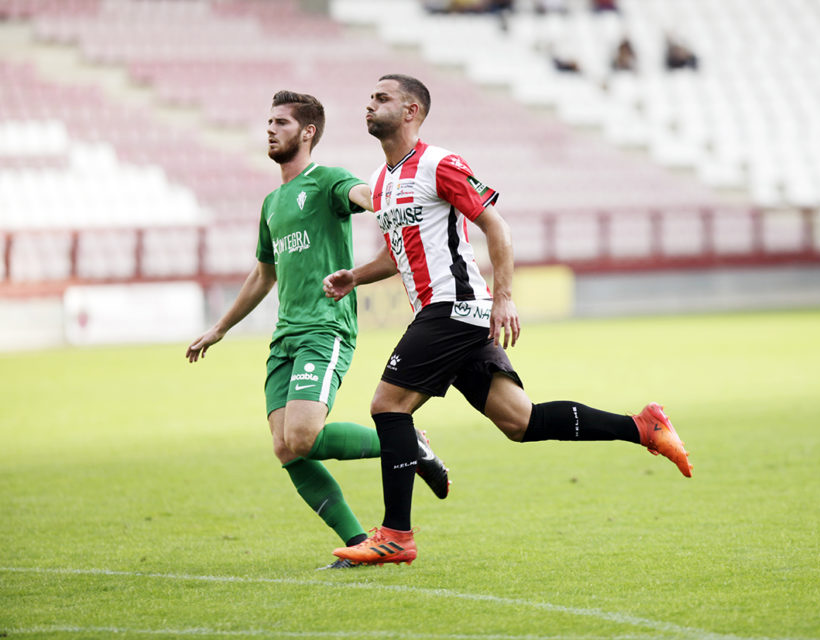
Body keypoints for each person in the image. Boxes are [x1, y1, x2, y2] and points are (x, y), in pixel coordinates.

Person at [322, 74, 692, 566]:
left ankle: (397, 535)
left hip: (454, 307)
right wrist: (355, 276)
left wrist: (505, 297)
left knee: (388, 407)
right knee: (521, 421)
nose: (369, 104)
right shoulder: (382, 181)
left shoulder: (439, 164)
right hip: (451, 315)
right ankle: (643, 428)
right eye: (370, 97)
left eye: (382, 98)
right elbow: (397, 254)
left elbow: (496, 224)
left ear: (412, 111)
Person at [185, 90, 449, 570]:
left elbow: (365, 195)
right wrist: (220, 328)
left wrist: (388, 200)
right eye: (269, 122)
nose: (271, 129)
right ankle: (356, 543)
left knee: (304, 436)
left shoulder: (326, 180)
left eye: (282, 122)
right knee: (286, 448)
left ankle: (410, 442)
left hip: (324, 328)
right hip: (284, 338)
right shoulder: (271, 203)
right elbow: (263, 274)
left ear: (307, 132)